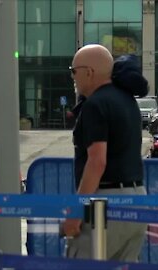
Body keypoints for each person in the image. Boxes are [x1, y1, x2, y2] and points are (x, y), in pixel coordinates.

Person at [62, 44, 148, 262]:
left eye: (74, 71)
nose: (73, 77)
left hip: (105, 205)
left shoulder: (95, 105)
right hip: (137, 199)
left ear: (89, 72)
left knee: (80, 263)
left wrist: (76, 212)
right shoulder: (128, 101)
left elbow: (97, 161)